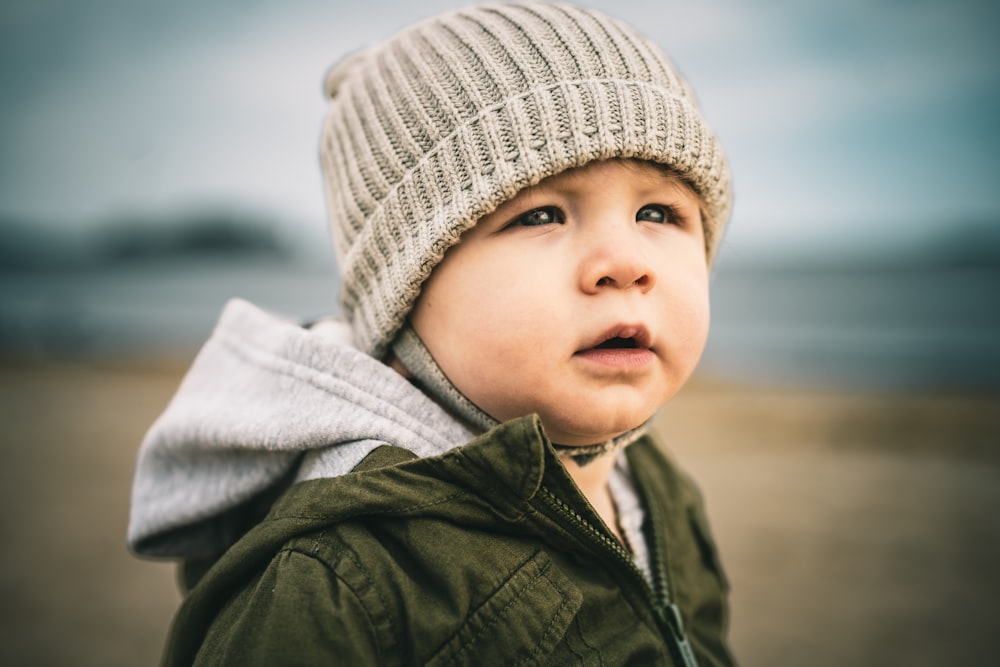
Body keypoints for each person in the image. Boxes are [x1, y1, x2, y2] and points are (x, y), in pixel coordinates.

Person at [128, 2, 737, 665]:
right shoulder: (341, 581)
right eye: (540, 214)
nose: (626, 261)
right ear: (406, 291)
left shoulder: (647, 480)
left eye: (659, 211)